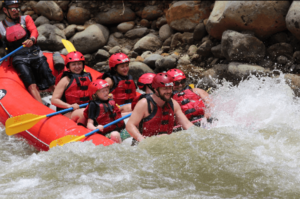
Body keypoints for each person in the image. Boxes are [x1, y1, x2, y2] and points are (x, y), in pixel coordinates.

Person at [0, 0, 55, 105]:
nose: (16, 11)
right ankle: (41, 109)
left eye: (17, 8)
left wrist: (32, 39)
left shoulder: (26, 19)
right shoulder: (0, 26)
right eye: (13, 8)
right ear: (5, 10)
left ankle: (60, 102)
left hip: (34, 52)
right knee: (30, 82)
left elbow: (34, 31)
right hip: (18, 57)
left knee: (48, 77)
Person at [126, 72, 194, 144]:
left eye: (170, 88)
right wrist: (144, 142)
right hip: (144, 144)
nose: (168, 92)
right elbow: (130, 125)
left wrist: (200, 134)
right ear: (156, 90)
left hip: (165, 143)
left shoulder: (173, 103)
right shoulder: (144, 104)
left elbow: (187, 124)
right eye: (165, 88)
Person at [84, 79, 131, 143]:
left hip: (121, 130)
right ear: (95, 94)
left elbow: (118, 115)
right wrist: (96, 128)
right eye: (103, 91)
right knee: (115, 134)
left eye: (106, 90)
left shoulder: (110, 101)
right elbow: (89, 124)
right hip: (108, 134)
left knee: (134, 125)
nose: (106, 92)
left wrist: (132, 113)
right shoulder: (93, 104)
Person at [51, 51, 92, 122]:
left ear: (83, 64)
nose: (77, 67)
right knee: (83, 113)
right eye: (73, 64)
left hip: (85, 107)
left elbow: (93, 94)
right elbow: (54, 100)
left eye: (79, 64)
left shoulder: (88, 77)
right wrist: (69, 106)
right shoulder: (65, 80)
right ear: (68, 66)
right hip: (69, 111)